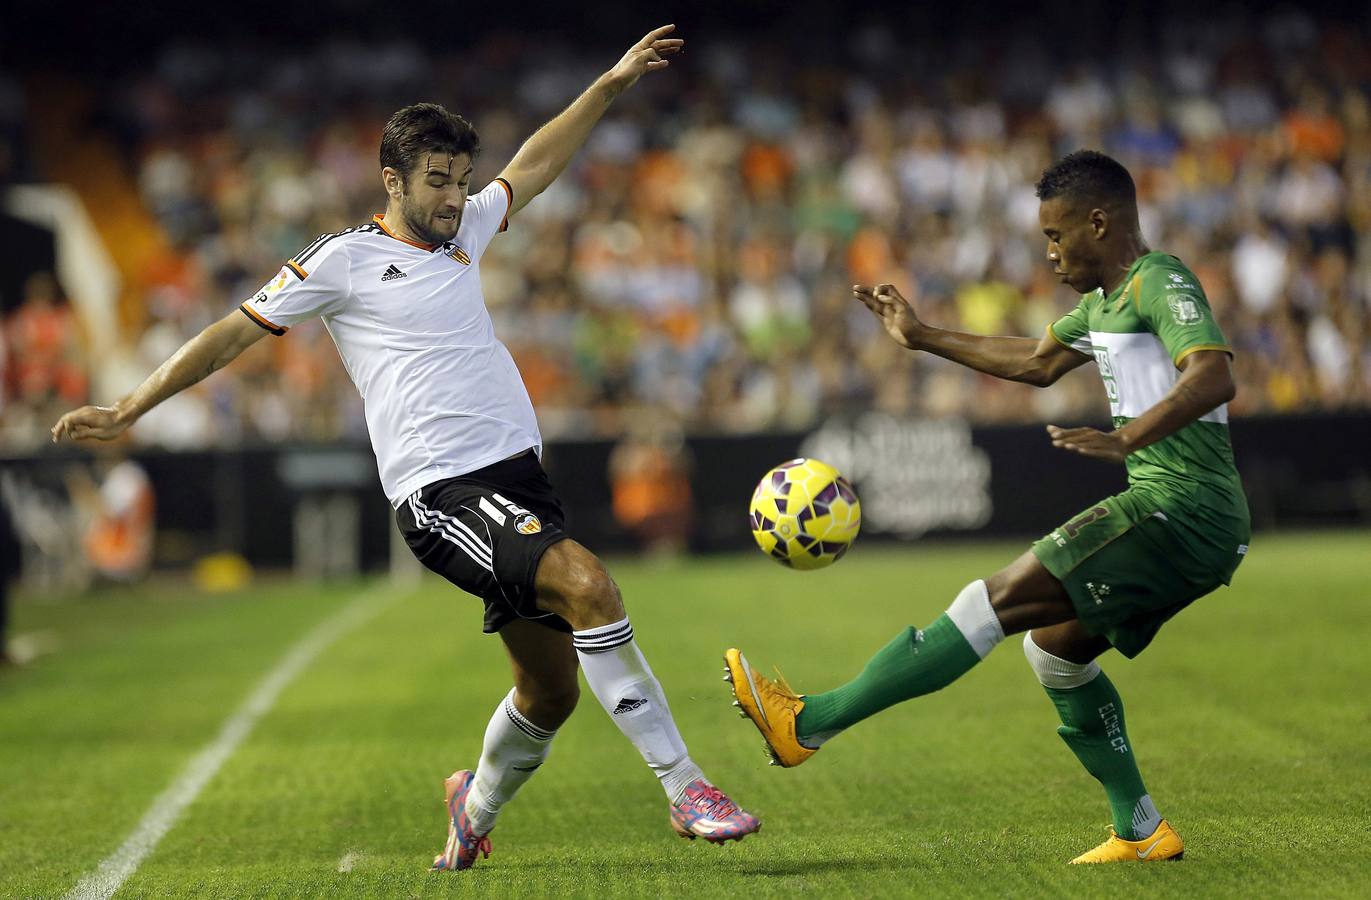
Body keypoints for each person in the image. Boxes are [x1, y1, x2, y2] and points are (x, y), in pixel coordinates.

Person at [51, 24, 759, 872]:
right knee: (589, 583)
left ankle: (472, 810)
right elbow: (229, 335)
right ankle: (686, 788)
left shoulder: (465, 235)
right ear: (391, 179)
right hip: (442, 493)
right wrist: (131, 404)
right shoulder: (344, 260)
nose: (456, 197)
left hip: (518, 485)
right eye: (437, 181)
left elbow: (532, 164)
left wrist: (609, 83)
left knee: (550, 691)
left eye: (461, 181)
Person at [724, 149, 1249, 864]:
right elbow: (1033, 363)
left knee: (987, 601)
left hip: (1183, 509)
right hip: (1178, 515)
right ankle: (1141, 828)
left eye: (1057, 235)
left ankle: (809, 724)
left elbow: (1213, 374)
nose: (1050, 252)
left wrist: (1127, 436)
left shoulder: (1158, 280)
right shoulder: (1099, 305)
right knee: (1055, 655)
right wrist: (922, 337)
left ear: (1100, 222)